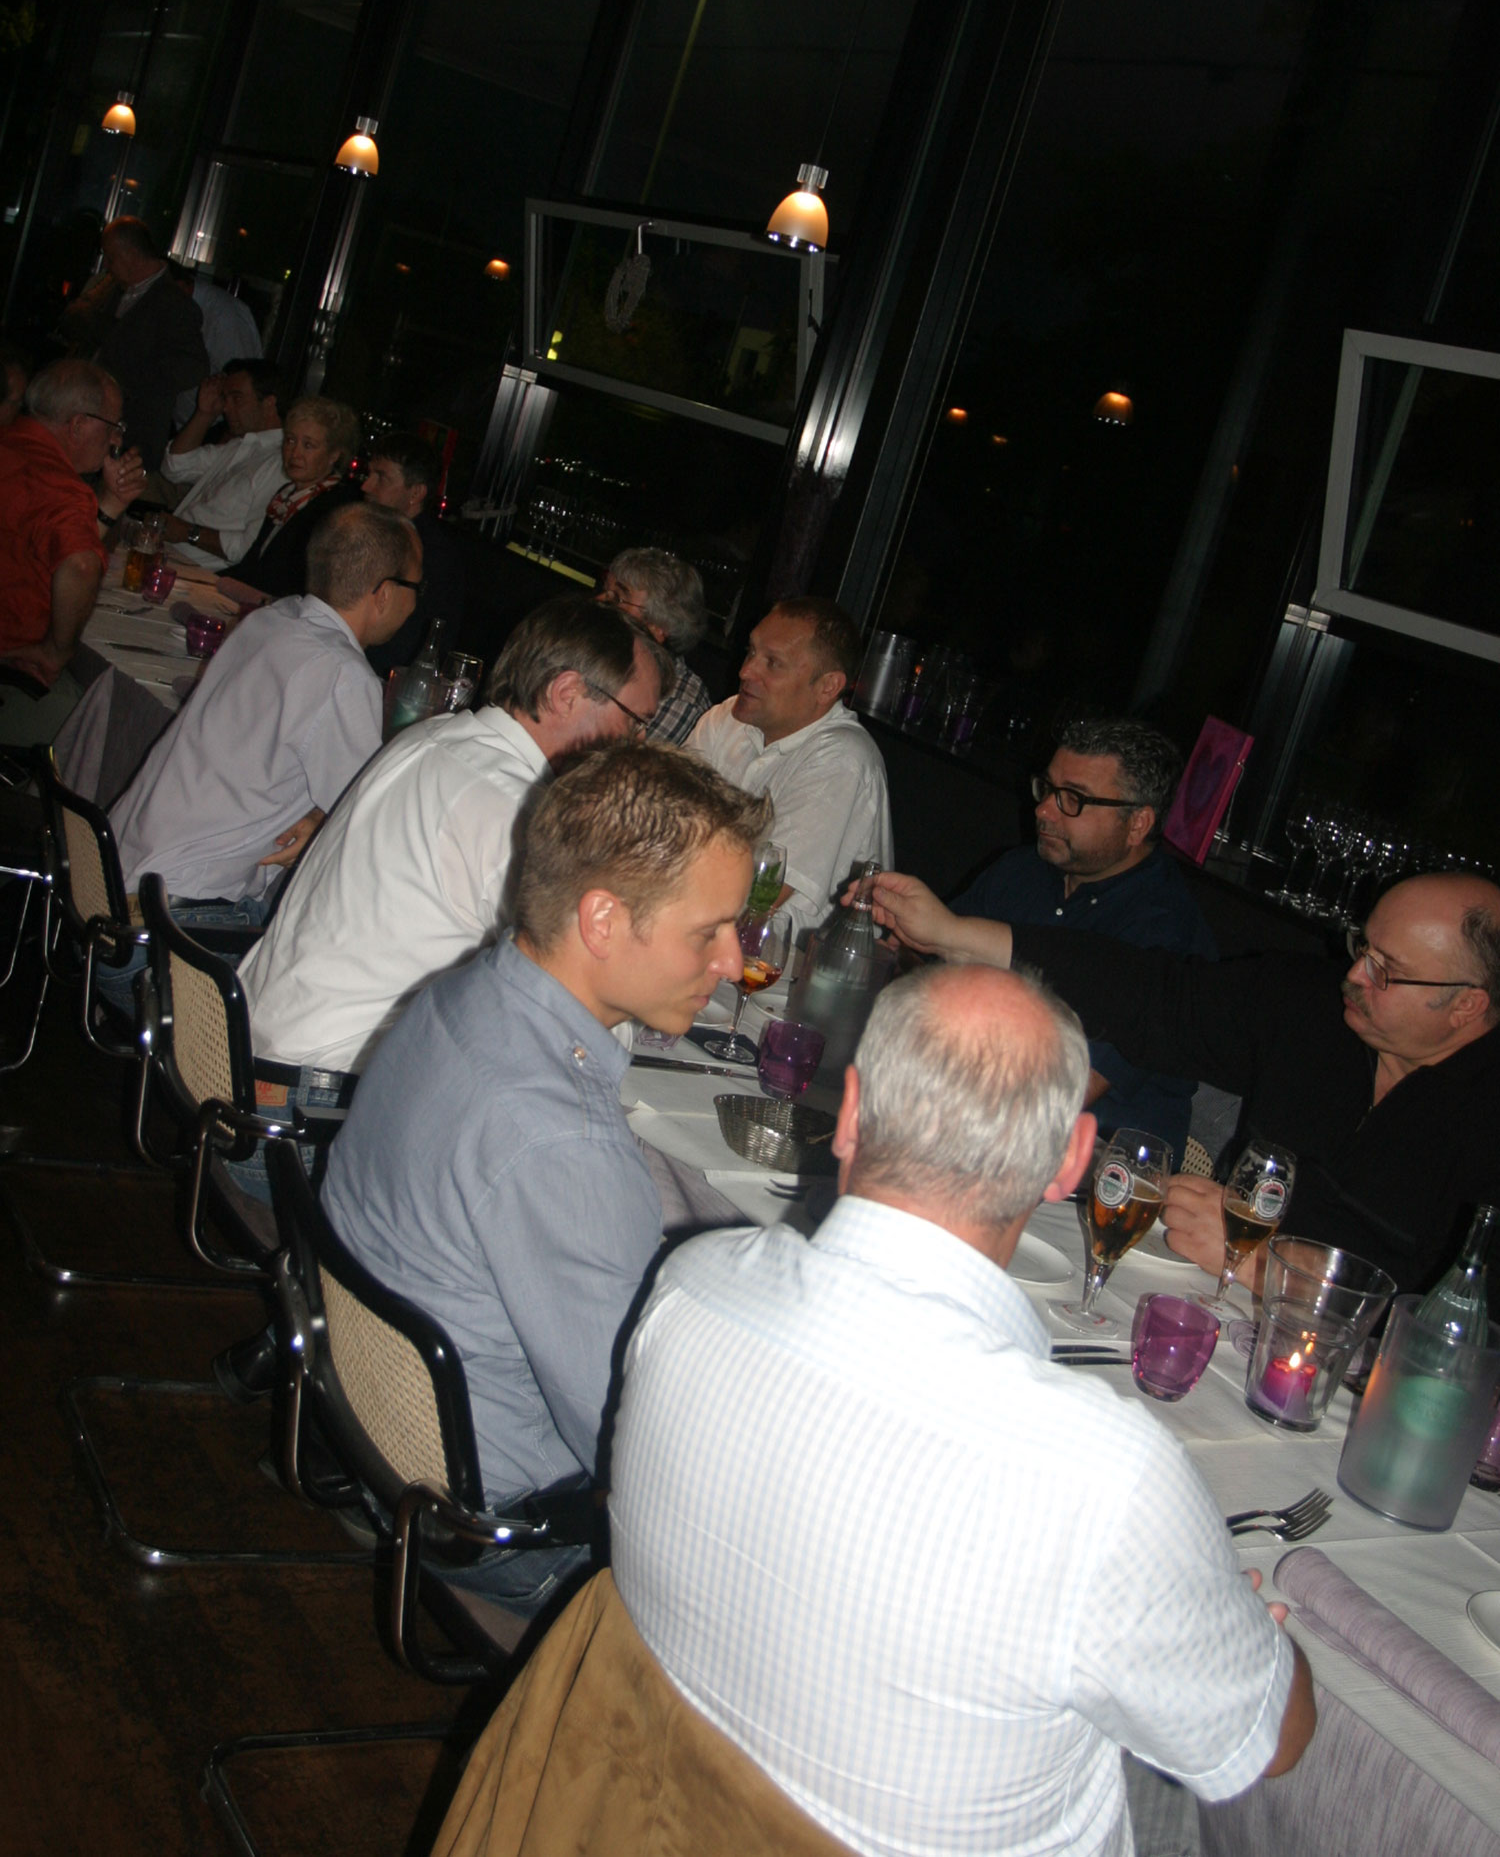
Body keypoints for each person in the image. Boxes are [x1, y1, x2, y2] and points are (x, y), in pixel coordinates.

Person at [609, 960, 1313, 1857]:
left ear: (851, 1111)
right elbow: (1276, 1741)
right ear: (1072, 1160)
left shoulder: (692, 1283)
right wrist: (1230, 1630)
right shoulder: (1104, 1483)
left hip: (647, 1811)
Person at [320, 742, 771, 1621]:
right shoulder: (556, 1137)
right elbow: (634, 1445)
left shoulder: (463, 995)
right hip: (505, 1527)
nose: (731, 962)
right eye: (708, 931)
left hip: (374, 1431)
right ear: (602, 920)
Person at [867, 866, 1500, 1298]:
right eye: (1363, 947)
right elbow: (1148, 993)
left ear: (1467, 1005)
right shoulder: (1313, 1008)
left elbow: (1461, 1332)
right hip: (1199, 1301)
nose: (1355, 974)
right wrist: (953, 934)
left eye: (1387, 970)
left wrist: (1272, 1271)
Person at [237, 594, 664, 1084]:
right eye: (635, 721)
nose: (637, 744)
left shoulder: (435, 735)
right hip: (313, 1089)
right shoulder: (513, 808)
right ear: (566, 693)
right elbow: (582, 1021)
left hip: (245, 1040)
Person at [107, 501, 420, 948]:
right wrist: (331, 820)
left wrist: (324, 815)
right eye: (416, 587)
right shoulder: (342, 675)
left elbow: (342, 797)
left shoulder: (272, 620)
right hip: (167, 931)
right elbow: (373, 830)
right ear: (384, 594)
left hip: (106, 880)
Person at [951, 717, 1216, 1164]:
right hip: (977, 1120)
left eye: (1072, 799)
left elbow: (1059, 1091)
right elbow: (921, 965)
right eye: (1047, 789)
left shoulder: (1166, 934)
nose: (1044, 810)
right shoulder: (1022, 871)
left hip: (1101, 1168)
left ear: (1137, 824)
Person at [689, 595, 891, 931]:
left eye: (773, 663)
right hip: (706, 934)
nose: (745, 670)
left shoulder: (843, 759)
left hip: (786, 960)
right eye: (751, 651)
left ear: (827, 687)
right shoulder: (727, 718)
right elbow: (660, 821)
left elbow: (758, 899)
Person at [0, 359, 145, 746]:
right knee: (108, 727)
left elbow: (50, 550)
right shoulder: (60, 488)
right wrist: (57, 651)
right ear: (79, 425)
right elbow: (79, 565)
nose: (116, 440)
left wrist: (111, 503)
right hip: (10, 675)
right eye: (114, 426)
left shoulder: (9, 443)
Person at [57, 216, 207, 465]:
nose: (107, 265)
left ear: (130, 255)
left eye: (111, 257)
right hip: (85, 418)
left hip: (129, 430)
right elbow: (71, 322)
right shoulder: (112, 287)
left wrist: (129, 374)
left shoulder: (174, 304)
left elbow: (192, 367)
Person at [217, 395, 360, 601]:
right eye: (290, 441)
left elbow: (296, 585)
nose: (294, 453)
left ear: (334, 454)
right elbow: (253, 564)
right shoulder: (287, 493)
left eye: (308, 445)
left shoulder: (334, 508)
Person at [156, 359, 285, 568]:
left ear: (269, 403)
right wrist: (204, 414)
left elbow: (249, 547)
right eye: (225, 398)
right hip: (167, 555)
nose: (226, 408)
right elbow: (174, 467)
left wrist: (189, 533)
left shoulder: (278, 463)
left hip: (197, 573)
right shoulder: (240, 446)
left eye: (237, 399)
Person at [359, 430, 467, 675]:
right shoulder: (370, 530)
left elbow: (412, 650)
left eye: (381, 477)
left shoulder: (433, 557)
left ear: (416, 493)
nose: (366, 485)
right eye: (369, 474)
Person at [599, 546, 711, 744]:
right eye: (604, 591)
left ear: (659, 626)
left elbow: (608, 761)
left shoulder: (680, 702)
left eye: (617, 598)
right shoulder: (593, 652)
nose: (599, 601)